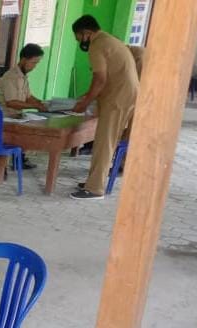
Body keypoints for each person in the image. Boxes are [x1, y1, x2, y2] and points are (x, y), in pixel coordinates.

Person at [70, 15, 139, 200]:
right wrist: (88, 95)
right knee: (108, 141)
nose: (80, 42)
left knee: (104, 142)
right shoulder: (110, 40)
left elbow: (100, 78)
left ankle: (95, 189)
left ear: (86, 33)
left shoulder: (97, 45)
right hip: (126, 95)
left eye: (79, 38)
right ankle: (94, 181)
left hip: (117, 98)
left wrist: (85, 102)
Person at [0, 43, 48, 170]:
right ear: (24, 59)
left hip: (16, 116)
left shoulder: (23, 76)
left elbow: (28, 96)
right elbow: (11, 103)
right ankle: (7, 162)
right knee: (29, 128)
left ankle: (20, 157)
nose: (34, 66)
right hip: (4, 118)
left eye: (37, 63)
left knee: (39, 123)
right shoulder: (11, 77)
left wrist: (41, 103)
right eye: (33, 62)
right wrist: (35, 106)